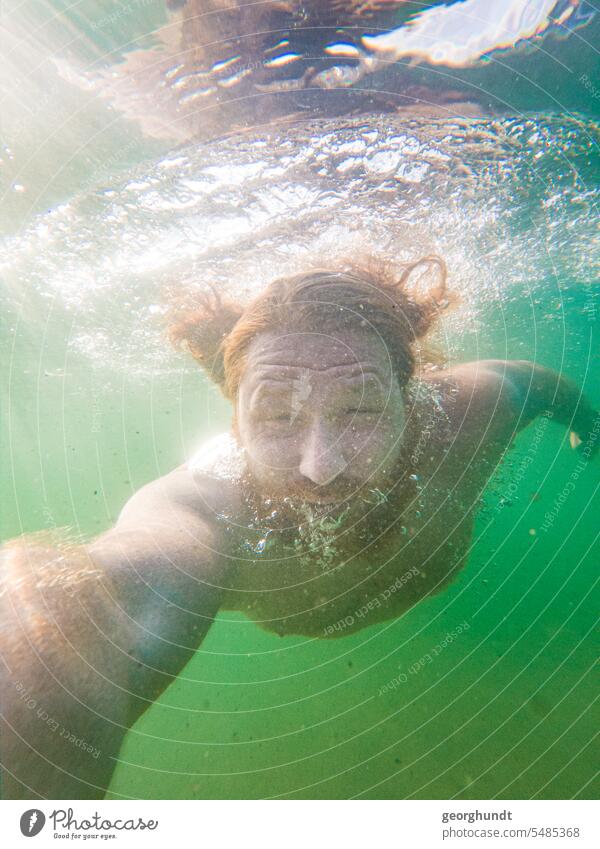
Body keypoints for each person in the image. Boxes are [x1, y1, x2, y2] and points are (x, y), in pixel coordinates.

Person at [1, 257, 597, 799]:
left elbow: (538, 384)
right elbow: (109, 596)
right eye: (276, 415)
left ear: (408, 395)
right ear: (234, 420)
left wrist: (587, 429)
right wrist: (46, 640)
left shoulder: (469, 411)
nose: (321, 466)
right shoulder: (203, 507)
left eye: (360, 408)